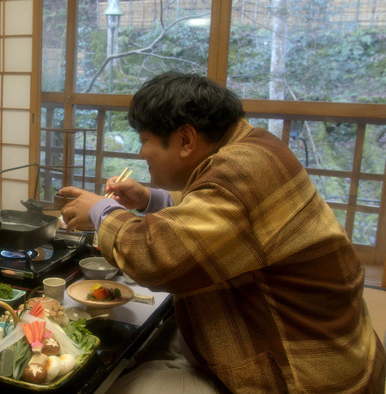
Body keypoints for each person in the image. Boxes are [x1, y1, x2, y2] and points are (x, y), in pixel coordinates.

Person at [60, 72, 385, 392]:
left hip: (305, 377)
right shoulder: (254, 146)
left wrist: (101, 211)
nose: (141, 153)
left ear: (186, 140)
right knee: (143, 344)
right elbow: (212, 213)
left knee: (110, 384)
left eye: (145, 140)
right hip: (326, 351)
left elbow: (155, 258)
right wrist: (150, 199)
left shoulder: (238, 175)